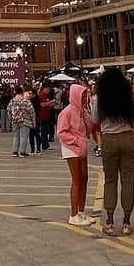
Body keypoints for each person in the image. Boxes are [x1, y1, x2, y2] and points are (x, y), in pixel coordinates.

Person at [95, 68, 134, 236]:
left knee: (110, 180)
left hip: (109, 139)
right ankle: (126, 222)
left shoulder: (101, 100)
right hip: (128, 138)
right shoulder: (129, 99)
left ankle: (110, 221)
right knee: (128, 180)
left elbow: (94, 119)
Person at [55, 83, 94, 226]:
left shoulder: (83, 111)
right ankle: (73, 214)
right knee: (77, 179)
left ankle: (81, 211)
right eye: (83, 95)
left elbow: (89, 128)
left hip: (81, 147)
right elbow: (61, 132)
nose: (85, 97)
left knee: (85, 178)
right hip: (71, 148)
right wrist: (76, 140)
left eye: (86, 94)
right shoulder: (67, 112)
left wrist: (87, 114)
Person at [9, 88, 35, 158]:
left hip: (15, 120)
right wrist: (33, 121)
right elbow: (31, 111)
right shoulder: (26, 101)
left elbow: (8, 109)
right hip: (25, 120)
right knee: (23, 136)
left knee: (16, 136)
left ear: (15, 92)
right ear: (22, 92)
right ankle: (22, 152)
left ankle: (15, 151)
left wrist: (10, 119)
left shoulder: (12, 101)